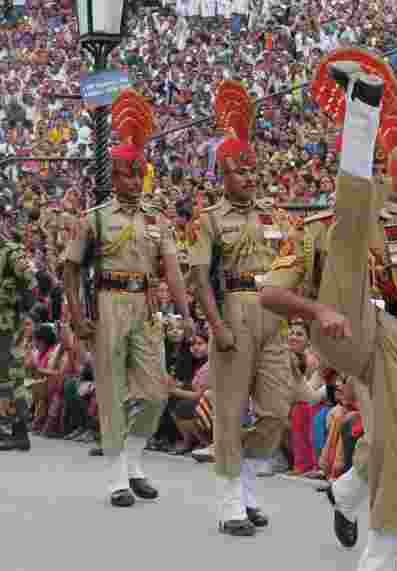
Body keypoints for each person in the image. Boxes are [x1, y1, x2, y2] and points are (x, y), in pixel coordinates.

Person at [260, 50, 397, 571]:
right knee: (348, 234)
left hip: (395, 344)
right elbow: (270, 294)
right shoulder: (320, 232)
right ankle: (361, 110)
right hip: (341, 326)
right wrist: (317, 308)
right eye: (396, 162)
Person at [64, 90, 193, 508]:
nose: (134, 182)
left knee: (156, 392)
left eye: (139, 174)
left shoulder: (157, 219)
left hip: (146, 307)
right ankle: (119, 476)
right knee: (113, 389)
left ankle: (134, 459)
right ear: (114, 176)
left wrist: (186, 312)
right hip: (107, 304)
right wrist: (77, 316)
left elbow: (171, 268)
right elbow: (71, 268)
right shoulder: (95, 218)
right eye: (126, 175)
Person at [188, 81, 293, 536]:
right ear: (222, 176)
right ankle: (232, 499)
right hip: (233, 309)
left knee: (275, 412)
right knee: (230, 411)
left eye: (253, 170)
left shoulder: (274, 215)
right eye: (239, 171)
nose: (249, 177)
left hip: (274, 312)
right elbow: (197, 278)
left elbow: (294, 262)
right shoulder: (209, 219)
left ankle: (245, 476)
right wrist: (216, 325)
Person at [0, 216, 34, 451]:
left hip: (9, 326)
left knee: (12, 379)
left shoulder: (11, 252)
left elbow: (33, 285)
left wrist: (18, 309)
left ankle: (20, 432)